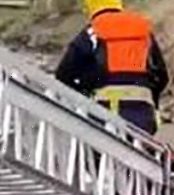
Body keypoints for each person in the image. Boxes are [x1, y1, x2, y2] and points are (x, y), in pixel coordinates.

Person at [55, 0, 168, 137]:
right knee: (138, 156)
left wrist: (83, 94)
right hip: (143, 116)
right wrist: (151, 101)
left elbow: (63, 75)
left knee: (101, 154)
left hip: (103, 115)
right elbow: (162, 76)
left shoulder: (92, 32)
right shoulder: (143, 30)